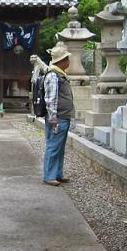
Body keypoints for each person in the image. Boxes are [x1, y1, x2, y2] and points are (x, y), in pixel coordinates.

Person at [42, 43, 75, 187]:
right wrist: (53, 117)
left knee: (59, 147)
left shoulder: (60, 75)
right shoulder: (53, 76)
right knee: (53, 146)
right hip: (57, 118)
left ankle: (57, 174)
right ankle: (49, 176)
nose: (68, 61)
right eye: (67, 58)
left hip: (63, 116)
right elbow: (51, 99)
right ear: (61, 61)